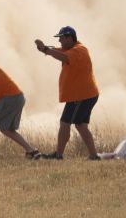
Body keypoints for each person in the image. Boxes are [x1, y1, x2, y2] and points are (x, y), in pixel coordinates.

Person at [34, 26, 100, 160]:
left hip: (81, 95)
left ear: (69, 38)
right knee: (80, 125)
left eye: (61, 38)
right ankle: (92, 155)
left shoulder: (79, 50)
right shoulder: (72, 49)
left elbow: (62, 56)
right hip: (83, 94)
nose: (60, 41)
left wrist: (46, 50)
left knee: (67, 123)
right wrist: (43, 49)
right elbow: (58, 51)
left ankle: (60, 155)